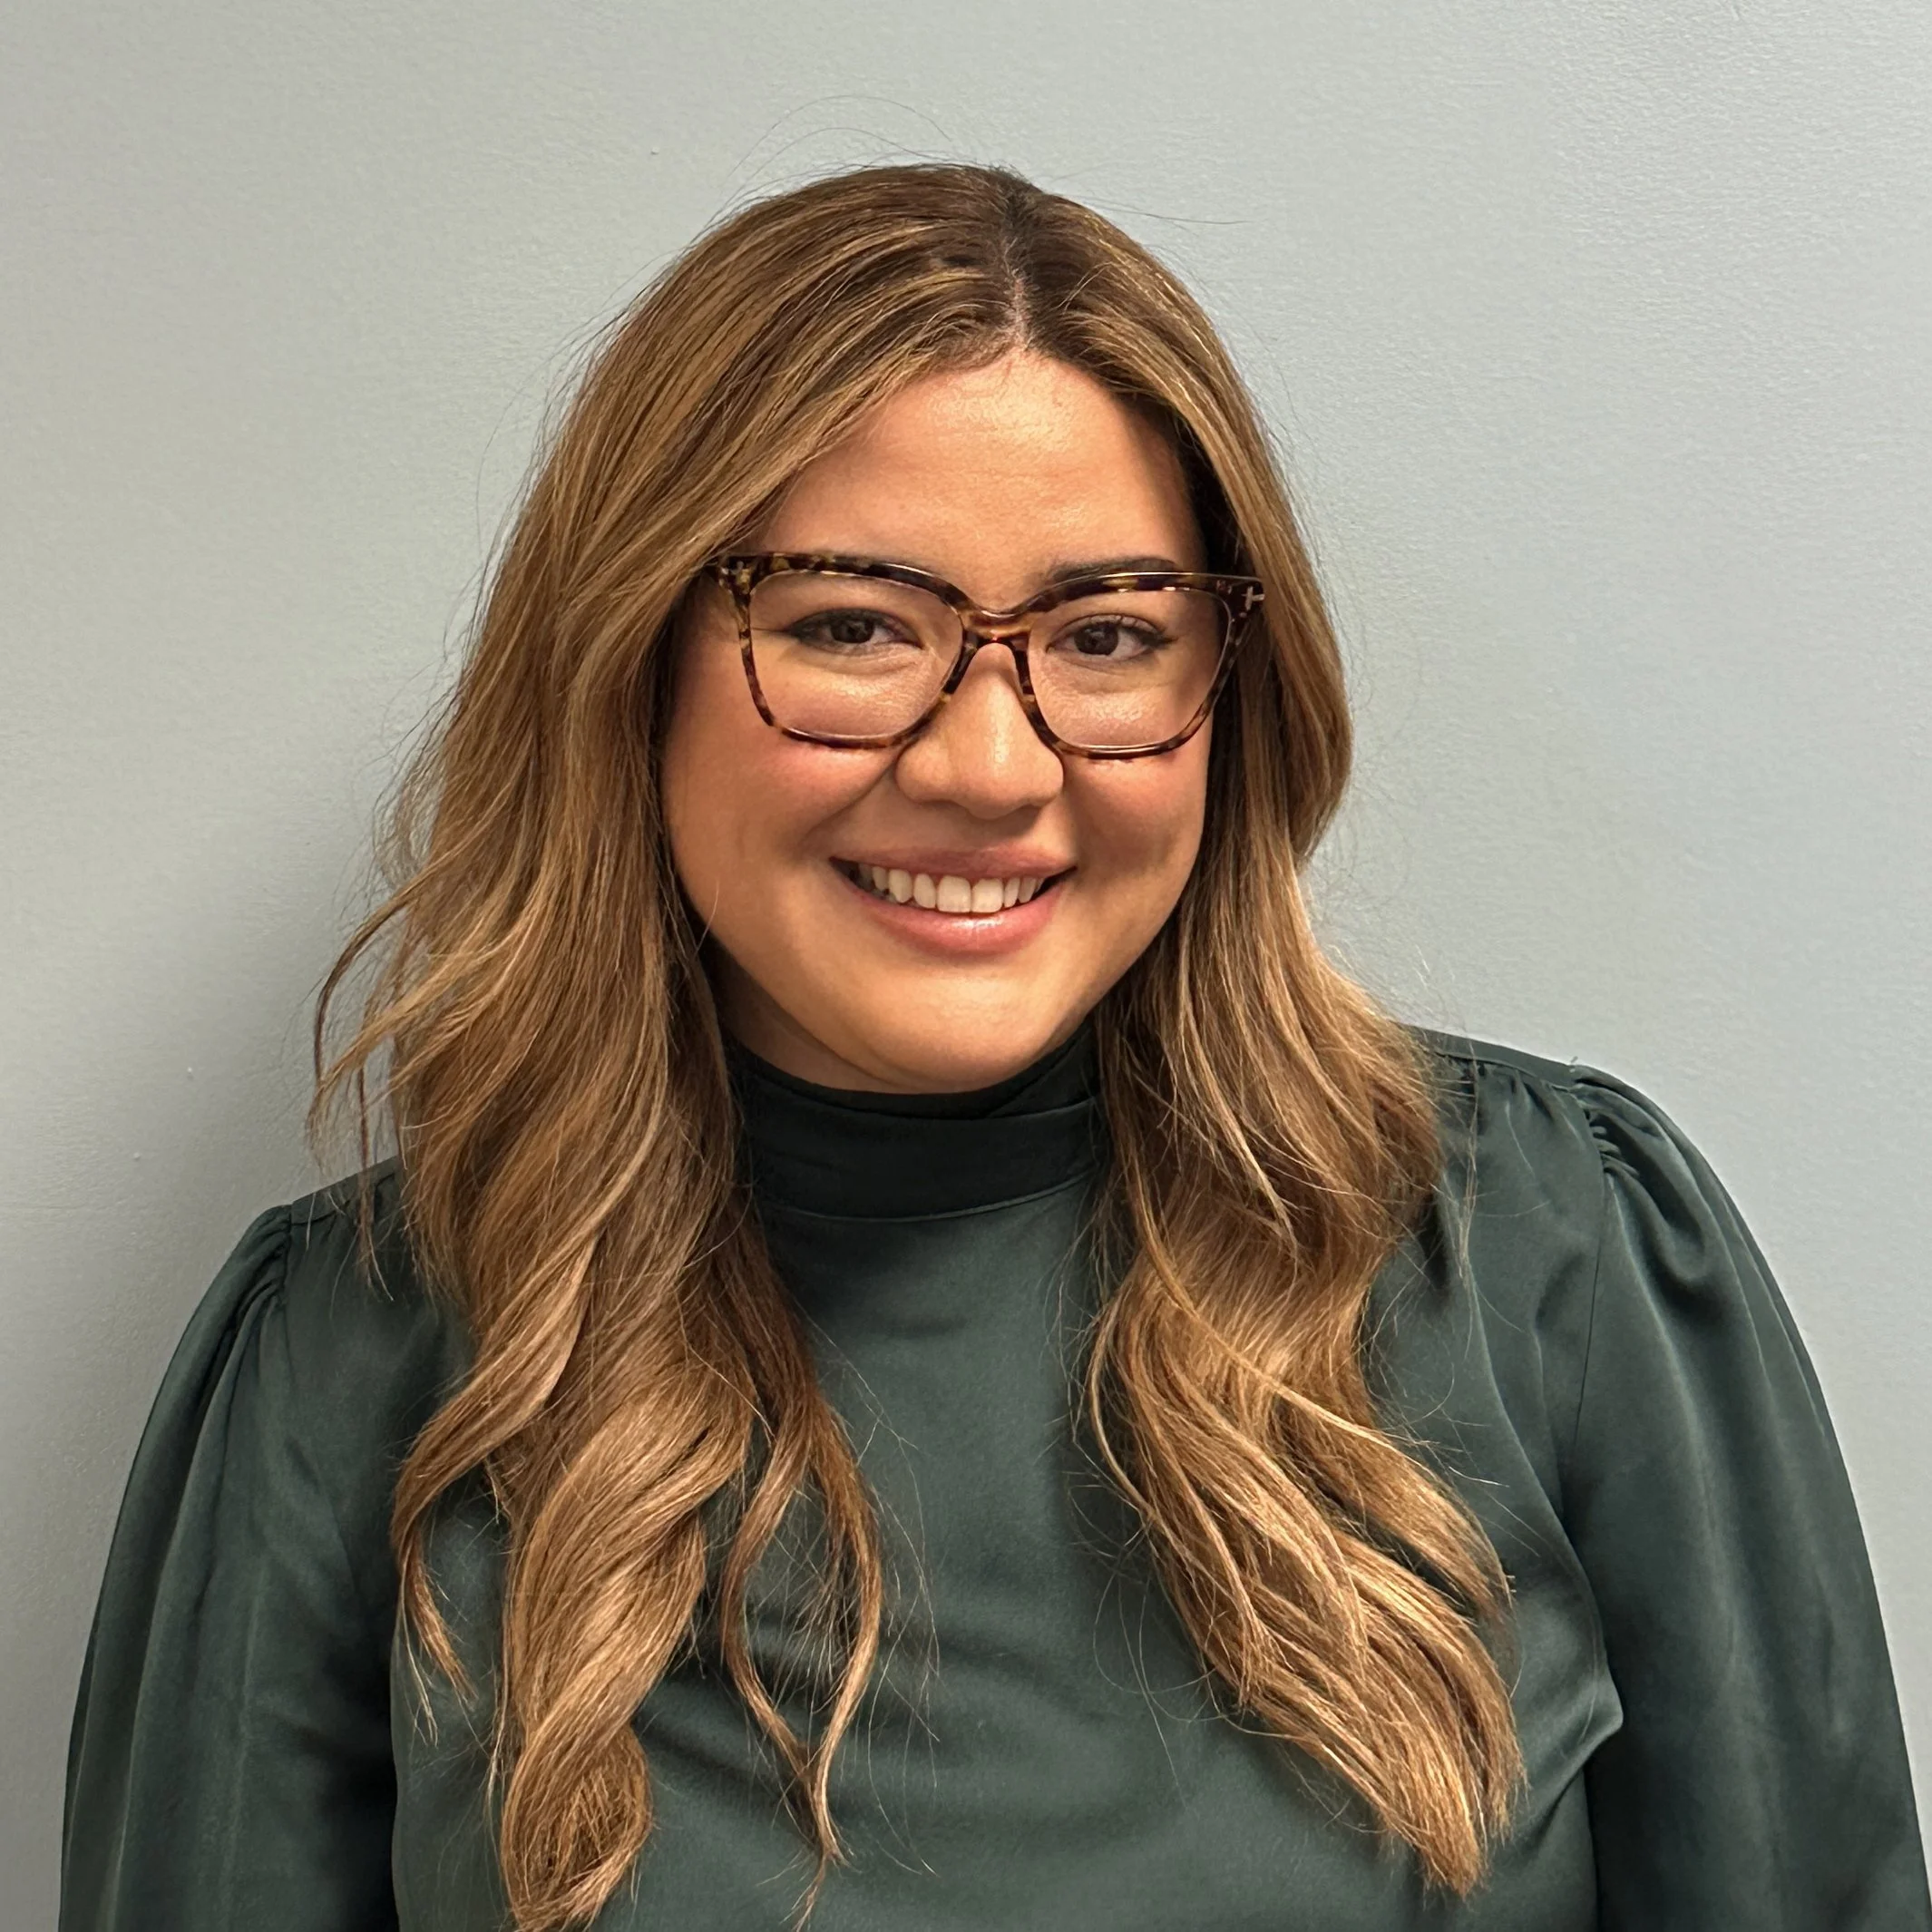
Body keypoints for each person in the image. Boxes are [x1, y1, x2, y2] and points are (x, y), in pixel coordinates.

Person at [60, 162, 1929, 1932]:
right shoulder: (349, 1357)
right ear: (627, 668)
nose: (989, 765)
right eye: (854, 624)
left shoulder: (1559, 1256)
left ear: (1232, 691)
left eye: (1109, 635)